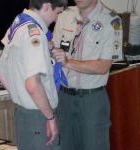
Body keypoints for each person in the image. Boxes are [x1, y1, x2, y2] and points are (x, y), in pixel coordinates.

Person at [0, 0, 67, 150]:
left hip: (23, 114)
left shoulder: (18, 25)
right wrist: (50, 117)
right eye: (58, 13)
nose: (57, 19)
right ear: (47, 6)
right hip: (39, 118)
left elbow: (0, 73)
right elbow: (33, 85)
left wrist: (22, 97)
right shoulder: (35, 34)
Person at [52, 0, 123, 150]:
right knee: (64, 146)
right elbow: (54, 50)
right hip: (64, 98)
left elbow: (103, 66)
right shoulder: (64, 16)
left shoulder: (111, 21)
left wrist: (68, 62)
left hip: (92, 100)